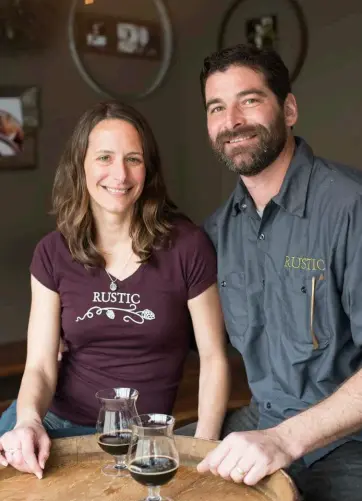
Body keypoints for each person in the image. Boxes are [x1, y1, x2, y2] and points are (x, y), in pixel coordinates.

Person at [0, 101, 230, 479]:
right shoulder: (53, 253)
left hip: (140, 441)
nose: (119, 174)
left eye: (133, 159)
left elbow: (213, 358)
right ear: (82, 165)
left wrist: (201, 447)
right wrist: (28, 422)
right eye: (105, 157)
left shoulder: (188, 247)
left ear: (148, 168)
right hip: (55, 426)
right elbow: (40, 365)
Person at [196, 44, 362, 501]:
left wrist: (286, 439)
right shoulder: (218, 230)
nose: (232, 120)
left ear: (288, 109)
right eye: (217, 107)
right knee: (152, 466)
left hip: (348, 443)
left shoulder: (351, 207)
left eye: (249, 100)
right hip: (261, 424)